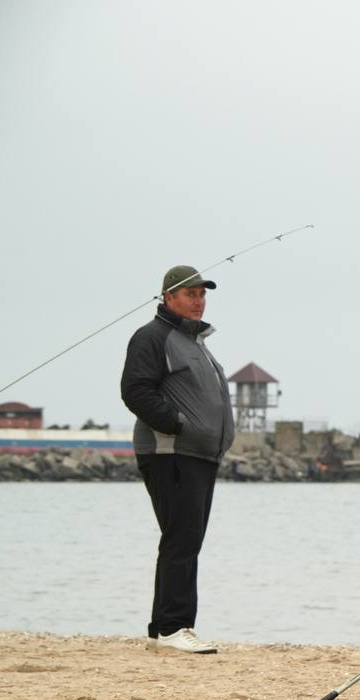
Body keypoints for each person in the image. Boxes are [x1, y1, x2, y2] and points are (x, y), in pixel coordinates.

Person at [120, 265, 235, 654]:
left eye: (202, 294)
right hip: (171, 452)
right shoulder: (153, 337)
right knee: (182, 539)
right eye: (190, 294)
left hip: (200, 455)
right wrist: (178, 424)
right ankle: (174, 626)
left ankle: (163, 629)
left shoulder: (195, 342)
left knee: (186, 539)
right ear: (168, 297)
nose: (199, 300)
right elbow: (135, 390)